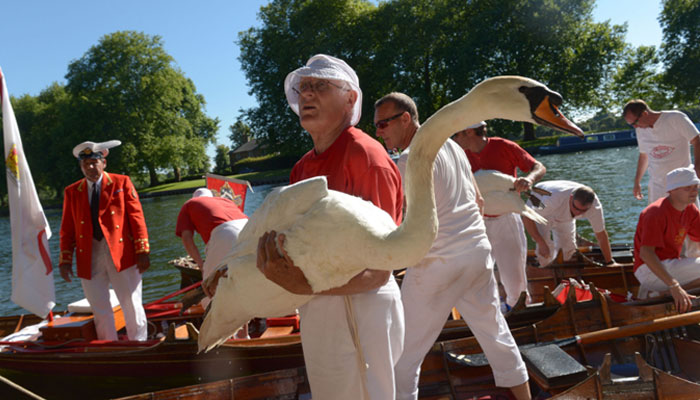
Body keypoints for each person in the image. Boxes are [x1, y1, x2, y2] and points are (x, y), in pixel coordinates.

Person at [255, 55, 405, 399]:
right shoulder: (302, 169)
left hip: (362, 306)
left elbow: (380, 270)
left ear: (350, 98)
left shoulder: (366, 157)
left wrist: (303, 285)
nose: (307, 94)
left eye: (320, 86)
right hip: (317, 304)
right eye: (303, 87)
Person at [374, 93, 531, 400]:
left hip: (439, 264)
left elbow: (405, 222)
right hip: (478, 256)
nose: (379, 132)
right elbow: (479, 200)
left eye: (382, 124)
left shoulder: (410, 160)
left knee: (402, 355)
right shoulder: (453, 147)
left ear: (405, 119)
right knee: (497, 335)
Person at [59, 140, 150, 341]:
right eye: (86, 164)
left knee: (131, 303)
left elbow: (136, 217)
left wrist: (142, 250)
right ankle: (109, 345)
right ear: (81, 167)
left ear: (103, 163)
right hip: (89, 254)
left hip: (121, 253)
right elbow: (67, 229)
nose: (90, 167)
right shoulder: (72, 192)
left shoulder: (121, 182)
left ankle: (139, 344)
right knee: (99, 307)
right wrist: (65, 260)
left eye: (94, 162)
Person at [452, 121, 546, 307]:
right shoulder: (457, 155)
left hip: (507, 220)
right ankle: (491, 315)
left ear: (469, 131)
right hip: (475, 222)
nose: (453, 139)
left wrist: (528, 179)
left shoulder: (504, 146)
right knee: (478, 275)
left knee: (514, 279)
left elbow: (539, 167)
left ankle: (520, 313)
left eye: (456, 134)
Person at [633, 166, 700, 312]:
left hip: (670, 264)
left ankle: (658, 295)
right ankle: (667, 291)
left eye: (696, 187)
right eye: (688, 188)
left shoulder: (690, 209)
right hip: (648, 270)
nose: (694, 191)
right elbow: (646, 254)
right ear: (672, 190)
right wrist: (674, 285)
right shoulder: (655, 213)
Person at [522, 181, 617, 268]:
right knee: (545, 251)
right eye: (576, 208)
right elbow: (527, 217)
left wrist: (610, 262)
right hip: (543, 212)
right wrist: (541, 242)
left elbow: (601, 235)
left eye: (583, 211)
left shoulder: (595, 207)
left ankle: (564, 273)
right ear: (571, 198)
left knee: (568, 251)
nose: (578, 213)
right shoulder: (550, 200)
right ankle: (545, 270)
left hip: (564, 216)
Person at [622, 99, 700, 204]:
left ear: (644, 114)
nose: (635, 127)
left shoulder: (675, 118)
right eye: (631, 125)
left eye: (635, 122)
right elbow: (644, 155)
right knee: (658, 219)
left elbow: (697, 140)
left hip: (683, 184)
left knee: (691, 219)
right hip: (657, 188)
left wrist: (697, 169)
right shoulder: (640, 129)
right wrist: (637, 181)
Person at [175, 187, 248, 280]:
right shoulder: (226, 200)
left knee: (209, 281)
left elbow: (186, 239)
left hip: (225, 233)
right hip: (249, 228)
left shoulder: (189, 204)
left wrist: (201, 265)